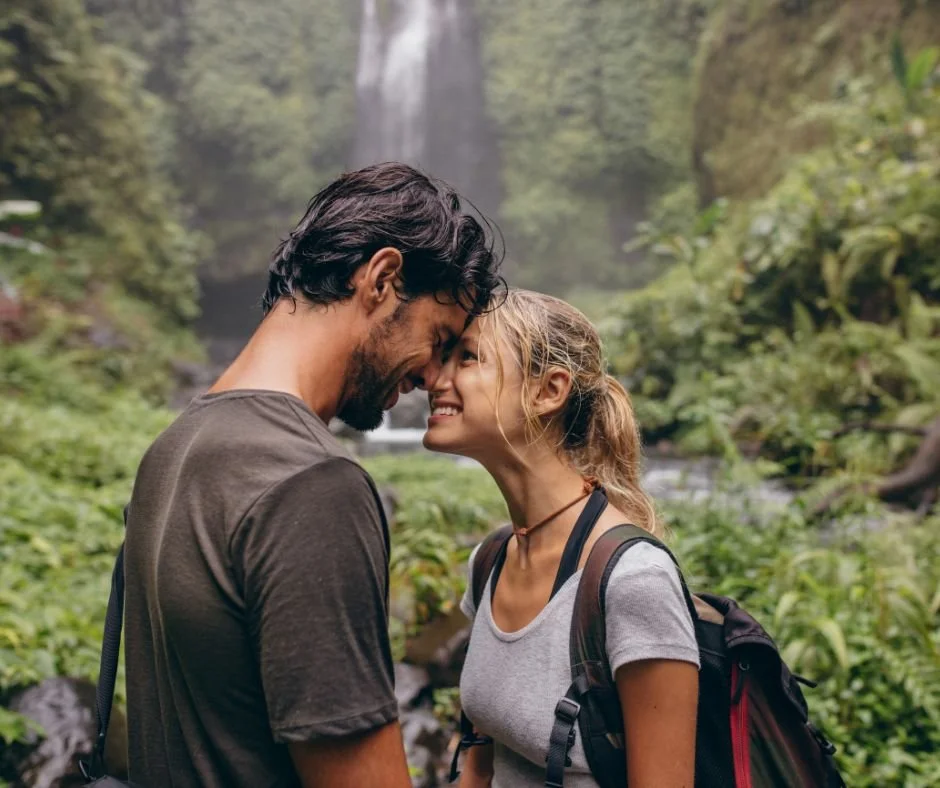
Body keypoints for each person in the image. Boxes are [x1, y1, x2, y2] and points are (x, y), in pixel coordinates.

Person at [122, 162, 503, 788]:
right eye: (439, 338)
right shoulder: (313, 486)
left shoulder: (172, 448)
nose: (434, 378)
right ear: (381, 279)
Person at [423, 289, 700, 787]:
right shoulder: (491, 560)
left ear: (548, 391)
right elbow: (480, 765)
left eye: (467, 357)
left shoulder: (634, 580)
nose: (433, 378)